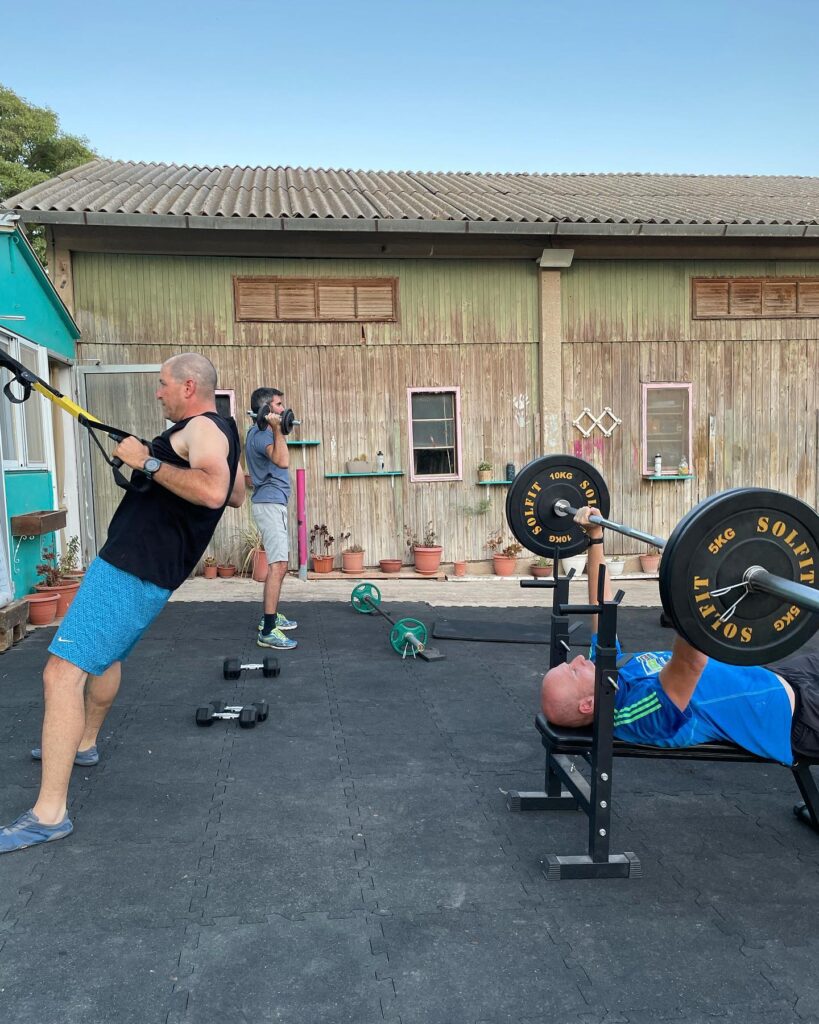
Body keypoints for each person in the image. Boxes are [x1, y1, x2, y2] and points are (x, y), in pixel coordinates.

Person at [0, 353, 245, 854]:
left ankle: (49, 814)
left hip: (132, 569)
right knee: (104, 657)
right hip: (144, 569)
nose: (158, 392)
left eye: (163, 384)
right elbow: (238, 493)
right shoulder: (223, 429)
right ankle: (84, 743)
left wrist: (147, 462)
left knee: (61, 673)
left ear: (189, 386)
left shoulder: (201, 428)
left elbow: (214, 491)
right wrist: (157, 460)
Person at [540, 506, 819, 767]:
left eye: (569, 663)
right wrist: (691, 576)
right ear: (588, 704)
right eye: (573, 671)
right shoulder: (638, 716)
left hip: (777, 676)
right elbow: (691, 662)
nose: (578, 659)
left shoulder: (607, 676)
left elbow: (601, 606)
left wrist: (595, 537)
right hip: (796, 717)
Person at [245, 386, 298, 651]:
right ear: (266, 410)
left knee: (280, 564)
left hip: (272, 503)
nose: (283, 409)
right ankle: (267, 630)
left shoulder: (260, 432)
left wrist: (276, 428)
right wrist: (277, 429)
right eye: (278, 405)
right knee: (278, 565)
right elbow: (282, 460)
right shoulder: (262, 435)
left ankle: (272, 616)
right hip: (269, 504)